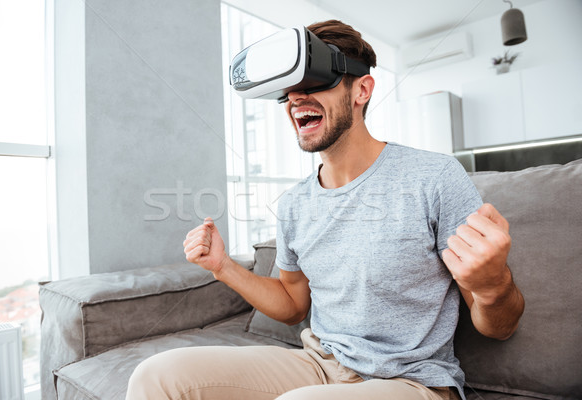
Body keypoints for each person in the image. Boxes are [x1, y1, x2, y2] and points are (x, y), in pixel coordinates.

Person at [126, 20, 524, 400]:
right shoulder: (295, 204)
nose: (296, 98)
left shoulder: (434, 177)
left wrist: (493, 287)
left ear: (362, 90)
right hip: (319, 364)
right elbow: (293, 304)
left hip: (411, 383)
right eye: (287, 91)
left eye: (314, 81)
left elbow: (500, 328)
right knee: (158, 377)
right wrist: (223, 267)